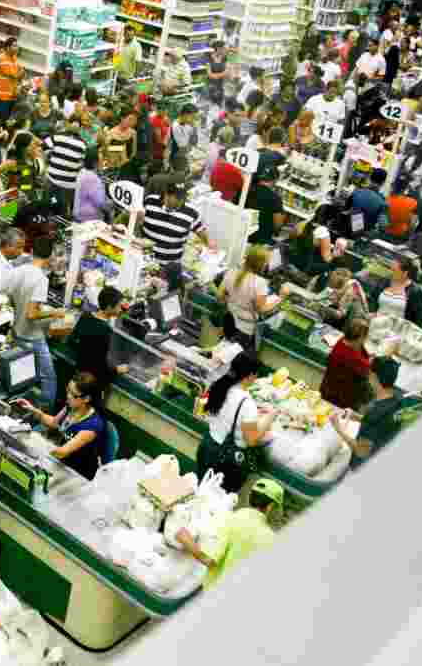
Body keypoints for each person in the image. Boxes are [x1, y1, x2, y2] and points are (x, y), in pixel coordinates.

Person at [175, 478, 282, 589]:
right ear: (270, 507)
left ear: (250, 496)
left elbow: (209, 560)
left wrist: (185, 539)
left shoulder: (230, 519)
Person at [195, 351, 277, 492]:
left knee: (201, 488)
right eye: (256, 374)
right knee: (217, 498)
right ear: (250, 375)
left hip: (207, 447)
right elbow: (250, 439)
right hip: (225, 460)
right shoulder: (247, 403)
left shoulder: (220, 386)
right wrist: (270, 416)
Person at [5, 237, 64, 409]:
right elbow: (32, 314)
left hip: (16, 331)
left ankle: (17, 403)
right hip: (32, 336)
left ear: (31, 252)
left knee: (20, 373)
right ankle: (44, 412)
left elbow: (9, 298)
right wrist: (54, 313)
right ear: (50, 256)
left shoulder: (19, 270)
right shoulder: (41, 280)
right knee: (49, 377)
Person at [15, 372, 106, 479]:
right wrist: (32, 409)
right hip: (62, 462)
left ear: (86, 399)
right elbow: (54, 422)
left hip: (76, 474)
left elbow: (62, 452)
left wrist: (36, 444)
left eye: (73, 394)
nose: (68, 396)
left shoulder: (91, 426)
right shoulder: (71, 406)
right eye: (68, 390)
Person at [331, 356, 406, 469]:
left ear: (374, 377)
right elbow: (379, 425)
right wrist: (356, 416)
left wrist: (338, 428)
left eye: (368, 373)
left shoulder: (377, 412)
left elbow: (361, 451)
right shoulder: (397, 396)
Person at [67, 285, 129, 393]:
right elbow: (99, 367)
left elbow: (71, 341)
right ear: (109, 307)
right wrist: (117, 370)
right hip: (90, 382)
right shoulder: (105, 330)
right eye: (119, 306)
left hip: (78, 373)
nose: (121, 309)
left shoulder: (86, 316)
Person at [141, 181, 209, 277]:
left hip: (168, 269)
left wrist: (207, 246)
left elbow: (201, 232)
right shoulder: (150, 201)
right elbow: (135, 217)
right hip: (143, 262)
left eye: (180, 198)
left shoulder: (192, 213)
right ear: (166, 194)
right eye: (175, 197)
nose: (178, 201)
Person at [217, 245, 274, 347]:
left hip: (229, 321)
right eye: (266, 262)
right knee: (233, 353)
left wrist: (235, 302)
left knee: (223, 349)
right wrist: (281, 299)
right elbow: (261, 309)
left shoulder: (231, 272)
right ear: (261, 264)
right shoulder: (260, 283)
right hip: (244, 328)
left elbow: (220, 296)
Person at [320, 317, 372, 411]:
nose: (365, 340)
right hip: (339, 401)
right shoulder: (351, 358)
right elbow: (368, 370)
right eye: (365, 337)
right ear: (360, 338)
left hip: (328, 390)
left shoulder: (343, 341)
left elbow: (361, 353)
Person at [42, 117, 88, 213]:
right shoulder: (83, 144)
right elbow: (84, 163)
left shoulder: (57, 137)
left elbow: (44, 146)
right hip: (64, 184)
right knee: (59, 208)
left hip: (56, 181)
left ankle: (49, 215)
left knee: (49, 205)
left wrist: (49, 159)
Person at [372, 256, 422, 325]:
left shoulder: (415, 291)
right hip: (376, 325)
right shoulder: (384, 282)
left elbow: (418, 318)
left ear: (405, 273)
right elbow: (374, 301)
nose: (391, 272)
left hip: (398, 329)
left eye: (394, 270)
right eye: (391, 269)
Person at [287, 205, 334, 276]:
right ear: (330, 219)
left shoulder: (303, 223)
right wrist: (335, 253)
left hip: (294, 259)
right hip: (307, 267)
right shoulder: (323, 232)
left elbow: (290, 237)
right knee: (331, 266)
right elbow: (327, 258)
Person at [246, 165, 287, 245]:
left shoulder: (247, 189)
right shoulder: (275, 198)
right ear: (275, 180)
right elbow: (278, 223)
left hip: (241, 233)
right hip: (260, 241)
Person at [72, 149, 111, 223]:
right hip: (89, 221)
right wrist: (111, 204)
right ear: (95, 164)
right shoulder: (92, 178)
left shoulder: (82, 172)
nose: (103, 163)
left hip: (80, 217)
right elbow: (101, 203)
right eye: (101, 161)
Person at [209, 127, 245, 203]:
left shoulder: (218, 164)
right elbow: (242, 186)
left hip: (213, 195)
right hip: (227, 200)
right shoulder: (235, 170)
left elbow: (211, 181)